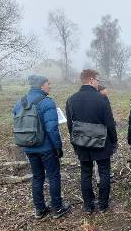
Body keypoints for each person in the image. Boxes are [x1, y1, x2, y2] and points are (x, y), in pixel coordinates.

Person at [12, 74, 71, 219]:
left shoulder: (20, 102)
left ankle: (39, 209)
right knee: (53, 176)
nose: (50, 86)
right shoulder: (47, 102)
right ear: (41, 85)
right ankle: (57, 208)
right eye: (48, 83)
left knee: (37, 177)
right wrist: (58, 147)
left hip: (28, 147)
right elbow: (52, 128)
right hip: (46, 148)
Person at [66, 70, 118, 214]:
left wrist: (75, 142)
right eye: (97, 80)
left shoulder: (71, 99)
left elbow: (70, 125)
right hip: (101, 142)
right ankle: (103, 204)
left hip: (82, 142)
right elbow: (109, 123)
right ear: (91, 80)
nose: (98, 83)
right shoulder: (101, 98)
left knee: (85, 173)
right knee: (104, 172)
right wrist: (114, 141)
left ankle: (88, 206)